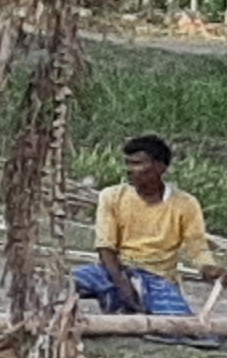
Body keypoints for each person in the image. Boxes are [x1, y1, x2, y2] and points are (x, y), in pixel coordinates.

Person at [88, 135, 213, 314]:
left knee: (182, 328)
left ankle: (127, 308)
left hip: (158, 277)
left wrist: (209, 268)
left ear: (160, 167)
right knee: (74, 282)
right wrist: (123, 285)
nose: (130, 170)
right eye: (128, 163)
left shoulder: (185, 203)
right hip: (117, 269)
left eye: (138, 164)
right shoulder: (112, 196)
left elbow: (197, 246)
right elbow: (105, 247)